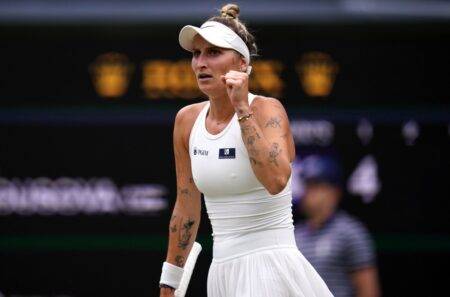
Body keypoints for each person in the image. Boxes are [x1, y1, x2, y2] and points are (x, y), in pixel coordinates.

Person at [159, 4, 333, 297]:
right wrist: (169, 283)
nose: (201, 62)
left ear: (242, 64)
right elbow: (186, 208)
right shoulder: (186, 121)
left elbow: (277, 181)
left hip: (272, 270)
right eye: (196, 54)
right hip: (222, 274)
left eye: (213, 53)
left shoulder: (267, 110)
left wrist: (241, 108)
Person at [294, 155, 381, 297]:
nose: (308, 192)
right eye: (306, 185)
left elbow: (368, 290)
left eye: (316, 186)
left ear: (334, 192)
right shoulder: (294, 236)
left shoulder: (351, 232)